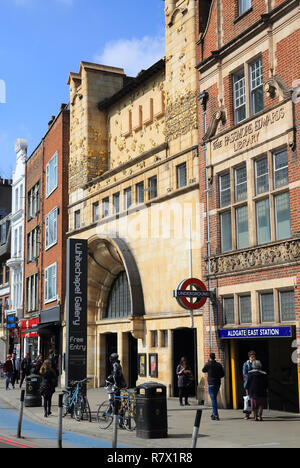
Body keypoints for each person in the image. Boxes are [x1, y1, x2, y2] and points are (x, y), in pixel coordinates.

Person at [202, 353, 225, 421]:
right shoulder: (218, 364)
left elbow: (203, 370)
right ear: (215, 357)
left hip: (211, 383)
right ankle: (213, 414)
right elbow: (223, 374)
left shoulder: (208, 364)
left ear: (210, 357)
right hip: (217, 383)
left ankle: (215, 415)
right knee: (214, 398)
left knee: (213, 399)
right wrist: (217, 377)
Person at [242, 350, 256, 420]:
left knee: (255, 399)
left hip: (255, 384)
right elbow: (244, 373)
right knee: (248, 399)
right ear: (249, 357)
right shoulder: (246, 364)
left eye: (254, 357)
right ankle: (247, 414)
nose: (253, 358)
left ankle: (255, 414)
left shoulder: (257, 363)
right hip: (248, 384)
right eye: (252, 357)